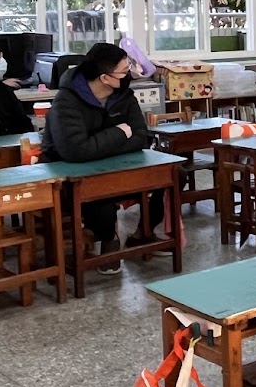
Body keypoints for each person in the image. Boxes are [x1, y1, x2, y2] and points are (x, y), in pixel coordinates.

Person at [39, 43, 166, 273]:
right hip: (69, 175)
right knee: (102, 197)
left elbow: (140, 136)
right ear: (105, 78)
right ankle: (108, 238)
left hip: (116, 166)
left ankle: (143, 232)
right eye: (125, 71)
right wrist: (119, 133)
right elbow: (76, 151)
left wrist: (99, 146)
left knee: (173, 175)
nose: (130, 75)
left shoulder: (123, 95)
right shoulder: (66, 102)